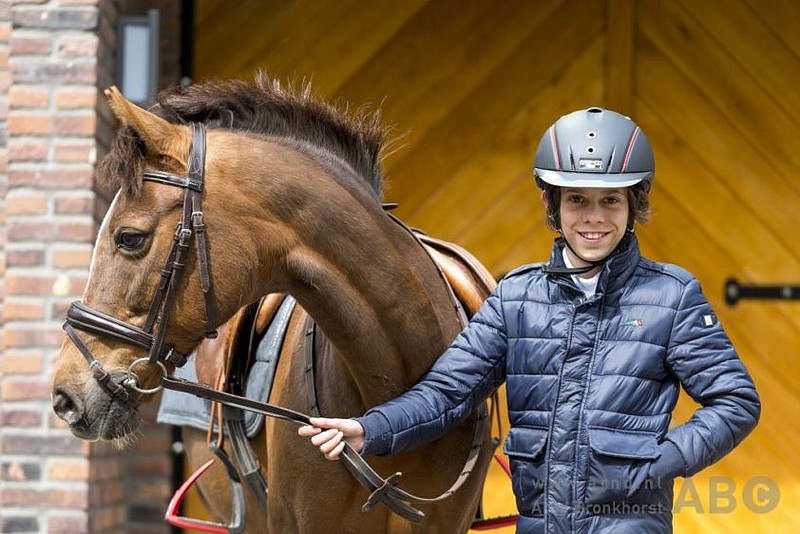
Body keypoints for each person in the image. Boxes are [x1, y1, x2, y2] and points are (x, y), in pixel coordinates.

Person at [298, 107, 760, 533]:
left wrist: (662, 462)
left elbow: (736, 401)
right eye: (577, 199)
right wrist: (370, 428)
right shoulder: (517, 297)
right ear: (551, 203)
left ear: (633, 204)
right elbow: (447, 393)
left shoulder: (672, 296)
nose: (593, 219)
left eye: (611, 201)